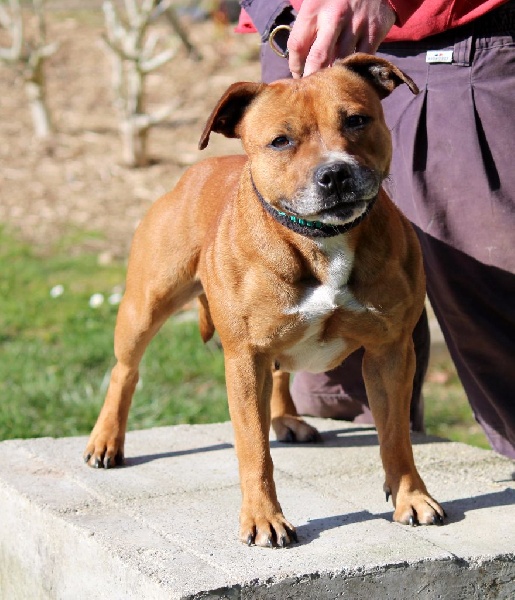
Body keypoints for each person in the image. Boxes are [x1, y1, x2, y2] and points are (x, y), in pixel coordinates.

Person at [236, 0, 515, 460]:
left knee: (492, 307)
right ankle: (372, 481)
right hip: (295, 39)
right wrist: (277, 13)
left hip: (452, 41)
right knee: (332, 384)